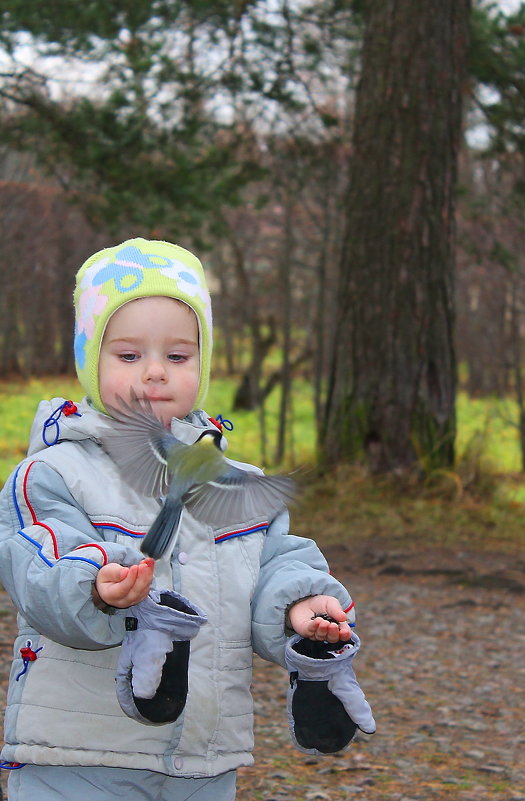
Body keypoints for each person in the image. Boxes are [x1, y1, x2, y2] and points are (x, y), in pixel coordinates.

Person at [0, 238, 363, 801]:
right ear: (90, 361)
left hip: (204, 758)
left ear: (203, 363)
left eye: (177, 356)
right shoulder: (54, 473)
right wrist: (95, 585)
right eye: (128, 356)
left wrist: (298, 604)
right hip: (83, 754)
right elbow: (37, 568)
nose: (154, 374)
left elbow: (274, 561)